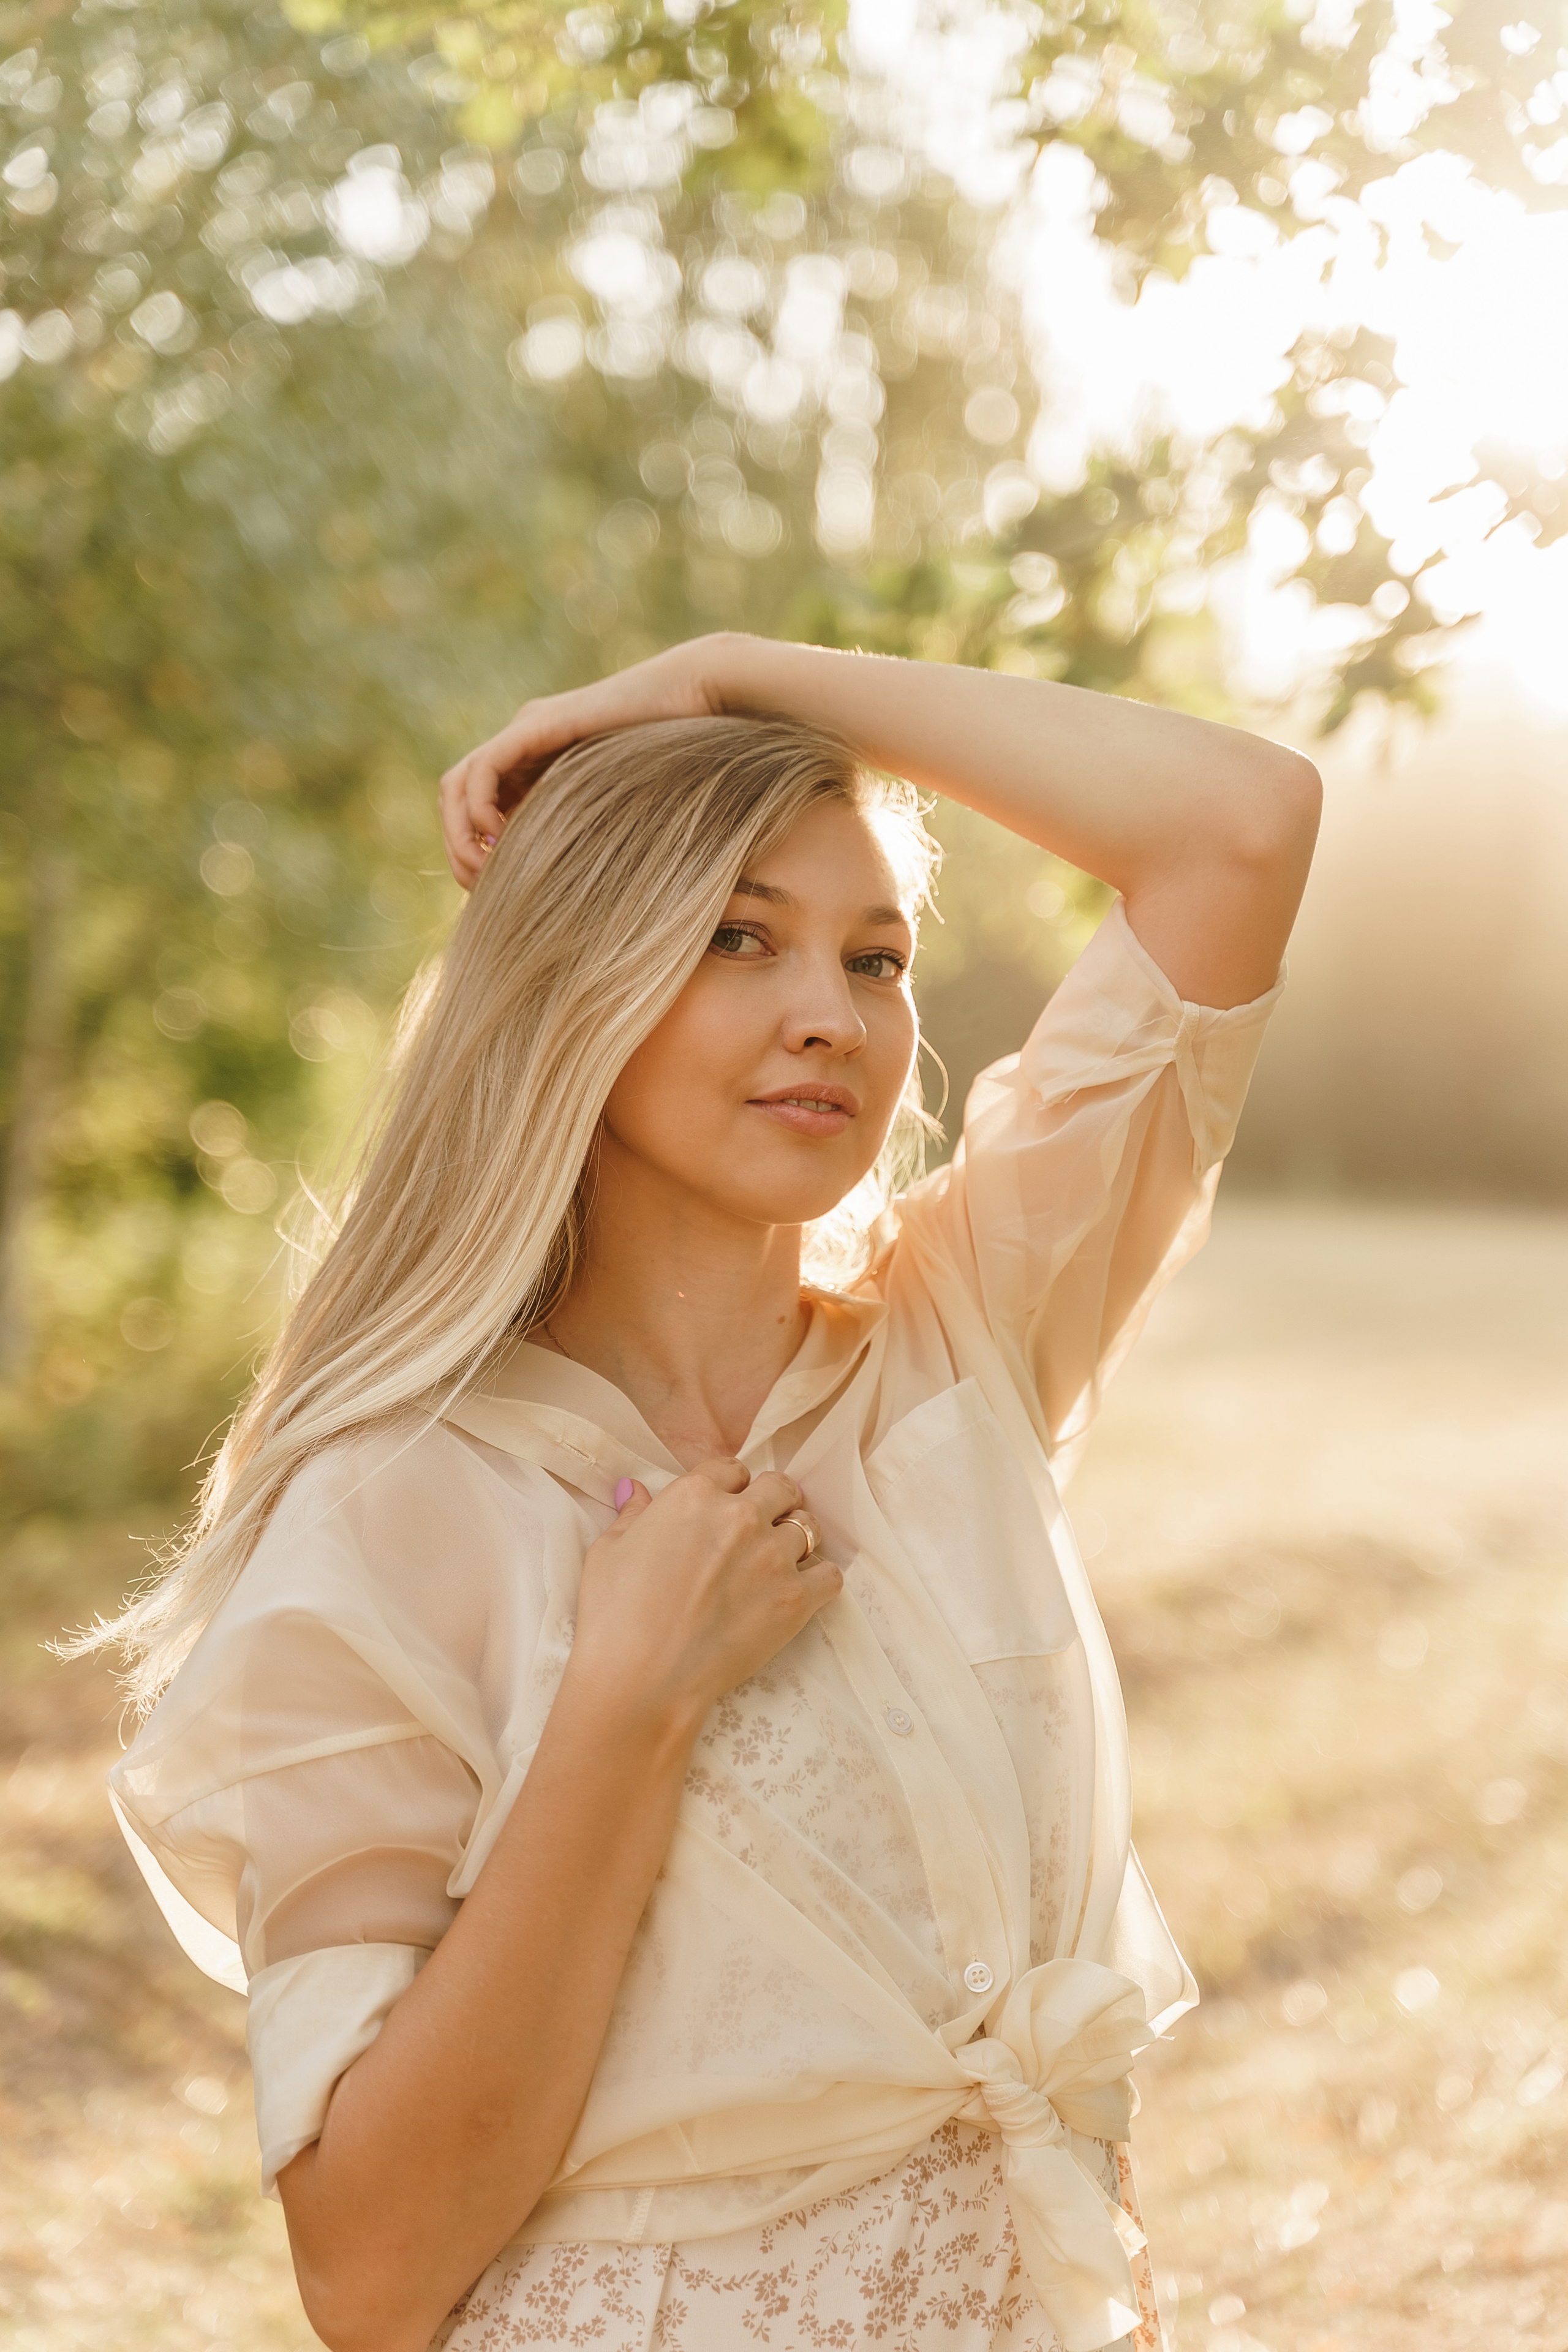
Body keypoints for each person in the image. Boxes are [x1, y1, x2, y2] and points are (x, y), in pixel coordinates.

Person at [102, 633, 1319, 2352]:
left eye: (876, 958)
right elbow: (369, 2271)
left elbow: (1240, 825)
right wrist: (626, 1705)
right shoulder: (388, 1507)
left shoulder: (959, 1345)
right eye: (738, 936)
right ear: (571, 983)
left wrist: (724, 674)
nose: (832, 1013)